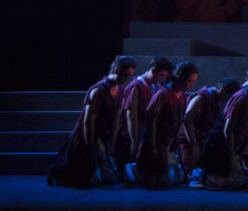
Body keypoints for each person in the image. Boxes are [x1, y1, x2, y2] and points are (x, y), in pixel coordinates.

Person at [47, 55, 136, 187]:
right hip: (88, 135)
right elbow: (88, 120)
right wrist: (90, 143)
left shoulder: (120, 89)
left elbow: (117, 116)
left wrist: (112, 139)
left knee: (107, 176)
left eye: (129, 76)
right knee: (80, 174)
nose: (127, 79)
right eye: (126, 75)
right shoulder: (99, 90)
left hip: (102, 134)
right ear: (117, 71)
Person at [200, 71, 248, 189]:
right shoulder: (240, 99)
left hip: (234, 149)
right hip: (220, 148)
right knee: (228, 181)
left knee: (246, 179)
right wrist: (231, 156)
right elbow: (228, 130)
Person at [131, 61, 199, 189]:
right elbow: (152, 121)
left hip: (169, 142)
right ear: (180, 78)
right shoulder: (163, 94)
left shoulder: (181, 95)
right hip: (157, 141)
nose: (191, 85)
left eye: (193, 82)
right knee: (157, 180)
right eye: (189, 81)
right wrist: (153, 146)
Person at [118, 56, 174, 170]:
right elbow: (131, 115)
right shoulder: (136, 87)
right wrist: (134, 140)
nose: (162, 79)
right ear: (153, 71)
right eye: (161, 75)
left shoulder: (156, 86)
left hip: (145, 134)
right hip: (131, 135)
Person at [179, 77, 241, 177]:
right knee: (191, 171)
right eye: (228, 97)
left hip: (202, 141)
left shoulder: (216, 102)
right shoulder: (202, 97)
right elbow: (187, 120)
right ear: (222, 91)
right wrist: (194, 144)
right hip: (190, 140)